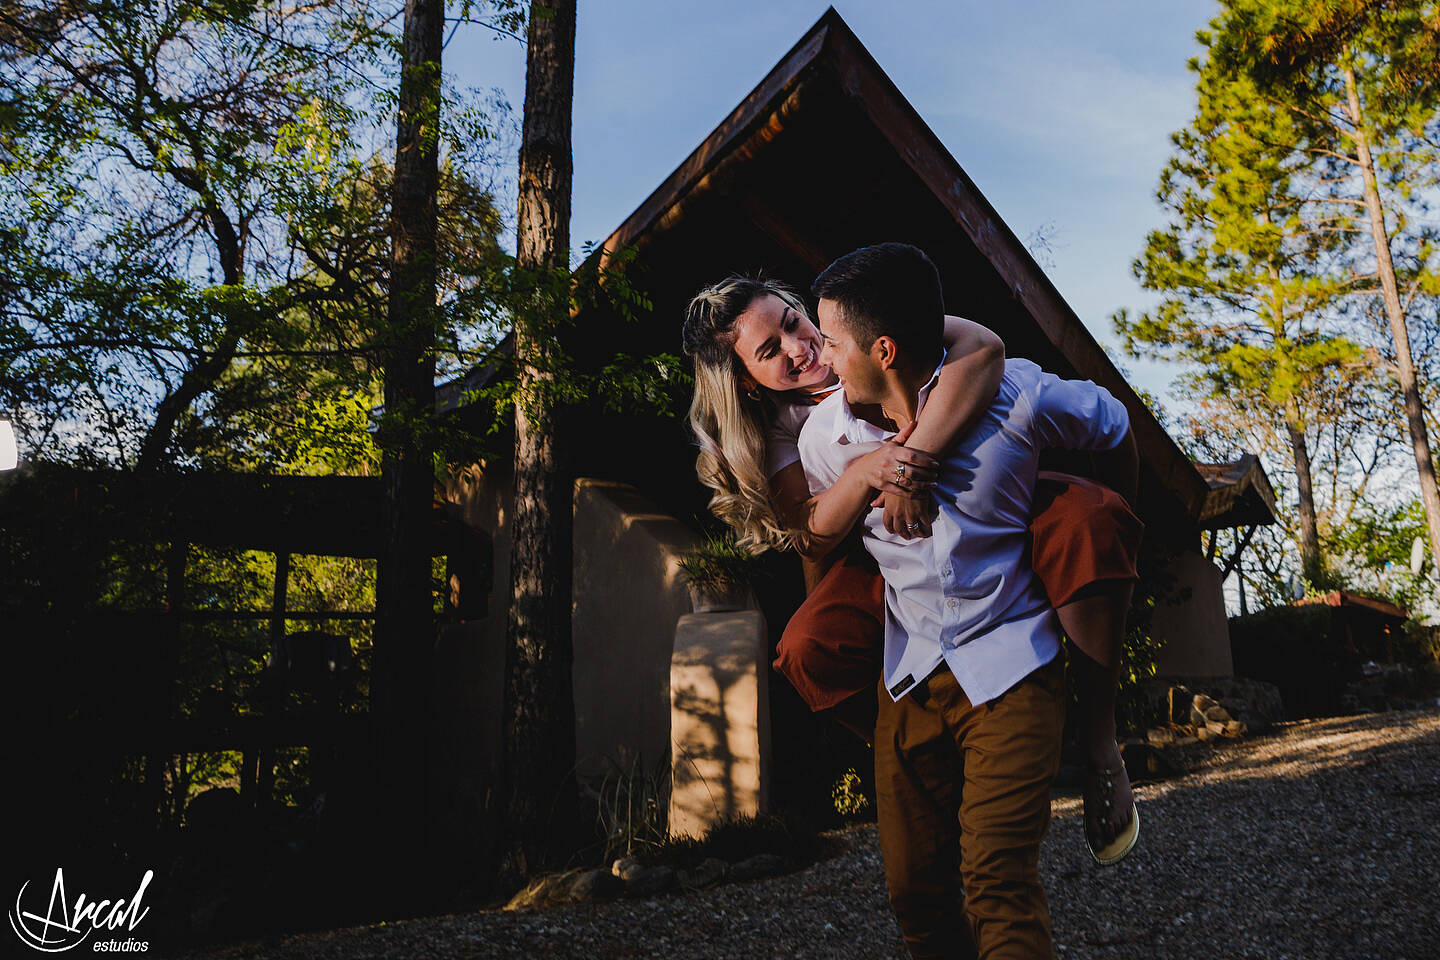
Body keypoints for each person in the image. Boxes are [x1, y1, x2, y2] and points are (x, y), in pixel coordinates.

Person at [680, 273, 1139, 866]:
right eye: (770, 350)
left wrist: (912, 464)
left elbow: (984, 347)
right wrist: (870, 473)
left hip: (983, 493)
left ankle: (1100, 742)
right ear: (745, 381)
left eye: (792, 322)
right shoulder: (780, 433)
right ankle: (938, 757)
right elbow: (811, 535)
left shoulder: (863, 322)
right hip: (883, 542)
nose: (799, 347)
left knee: (1090, 520)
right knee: (806, 647)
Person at [796, 242, 1139, 959]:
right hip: (909, 676)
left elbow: (1114, 424)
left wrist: (1109, 516)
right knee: (915, 896)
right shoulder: (825, 439)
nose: (821, 358)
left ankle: (1100, 747)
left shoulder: (1017, 395)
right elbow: (817, 536)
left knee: (997, 883)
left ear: (884, 350)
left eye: (831, 341)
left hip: (1012, 664)